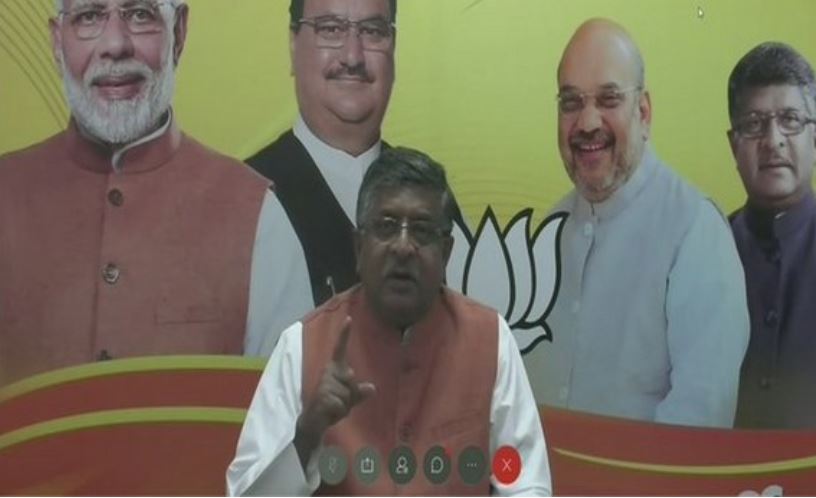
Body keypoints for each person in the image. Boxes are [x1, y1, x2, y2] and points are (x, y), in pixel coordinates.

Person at [0, 0, 313, 384]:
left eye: (140, 14)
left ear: (179, 32)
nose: (115, 44)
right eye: (89, 17)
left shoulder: (257, 216)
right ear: (56, 42)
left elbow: (290, 424)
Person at [227, 147, 551, 496]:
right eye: (386, 226)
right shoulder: (302, 346)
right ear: (358, 247)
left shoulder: (490, 340)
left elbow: (525, 485)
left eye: (422, 230)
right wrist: (307, 432)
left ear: (446, 253)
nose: (402, 246)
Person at [521, 18, 750, 427]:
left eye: (608, 99)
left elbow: (700, 421)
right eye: (571, 102)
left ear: (643, 112)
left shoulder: (695, 231)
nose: (587, 123)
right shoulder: (550, 228)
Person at [246, 0, 470, 350]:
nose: (352, 56)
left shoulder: (433, 198)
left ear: (393, 47)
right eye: (331, 29)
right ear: (293, 44)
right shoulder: (246, 201)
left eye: (372, 31)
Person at [727, 42, 816, 428]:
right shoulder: (704, 249)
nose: (773, 139)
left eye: (791, 119)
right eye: (754, 123)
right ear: (733, 145)